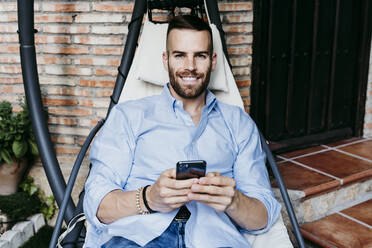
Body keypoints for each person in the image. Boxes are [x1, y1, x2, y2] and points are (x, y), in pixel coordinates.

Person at [84, 15, 281, 248]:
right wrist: (149, 198)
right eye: (180, 55)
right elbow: (96, 203)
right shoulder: (129, 116)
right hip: (139, 236)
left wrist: (234, 201)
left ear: (213, 61)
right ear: (166, 60)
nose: (190, 66)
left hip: (214, 239)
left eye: (200, 55)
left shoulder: (239, 123)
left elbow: (263, 216)